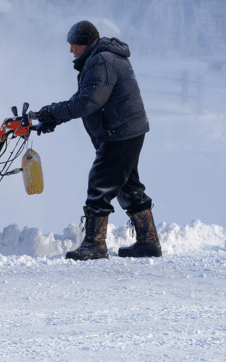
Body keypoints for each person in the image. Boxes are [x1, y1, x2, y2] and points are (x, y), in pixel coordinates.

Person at [36, 20, 162, 260]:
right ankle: (148, 242)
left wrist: (52, 112)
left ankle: (94, 243)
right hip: (127, 130)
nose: (70, 50)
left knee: (100, 183)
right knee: (128, 187)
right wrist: (54, 117)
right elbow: (86, 98)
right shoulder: (102, 58)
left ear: (84, 43)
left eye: (73, 45)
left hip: (119, 132)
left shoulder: (101, 61)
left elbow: (87, 102)